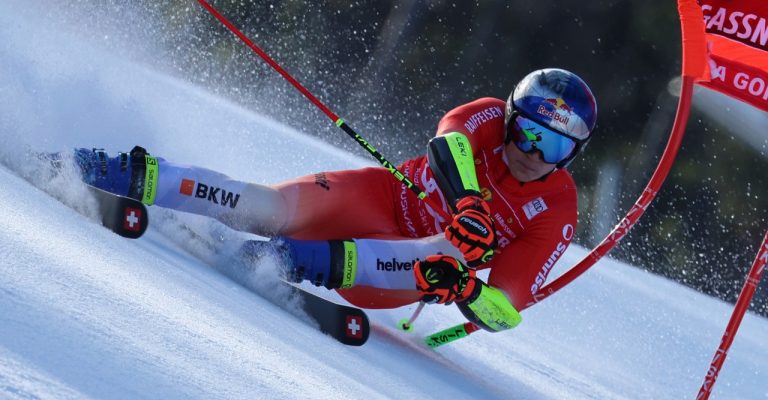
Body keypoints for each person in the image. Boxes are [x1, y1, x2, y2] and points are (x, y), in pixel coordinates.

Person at [69, 68, 597, 333]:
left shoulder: (557, 210)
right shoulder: (486, 116)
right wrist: (468, 204)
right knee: (264, 207)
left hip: (405, 272)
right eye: (526, 131)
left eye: (552, 144)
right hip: (380, 196)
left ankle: (283, 260)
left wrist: (462, 289)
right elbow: (449, 142)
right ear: (508, 117)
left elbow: (506, 312)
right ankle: (115, 170)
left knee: (446, 252)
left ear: (572, 154)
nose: (532, 150)